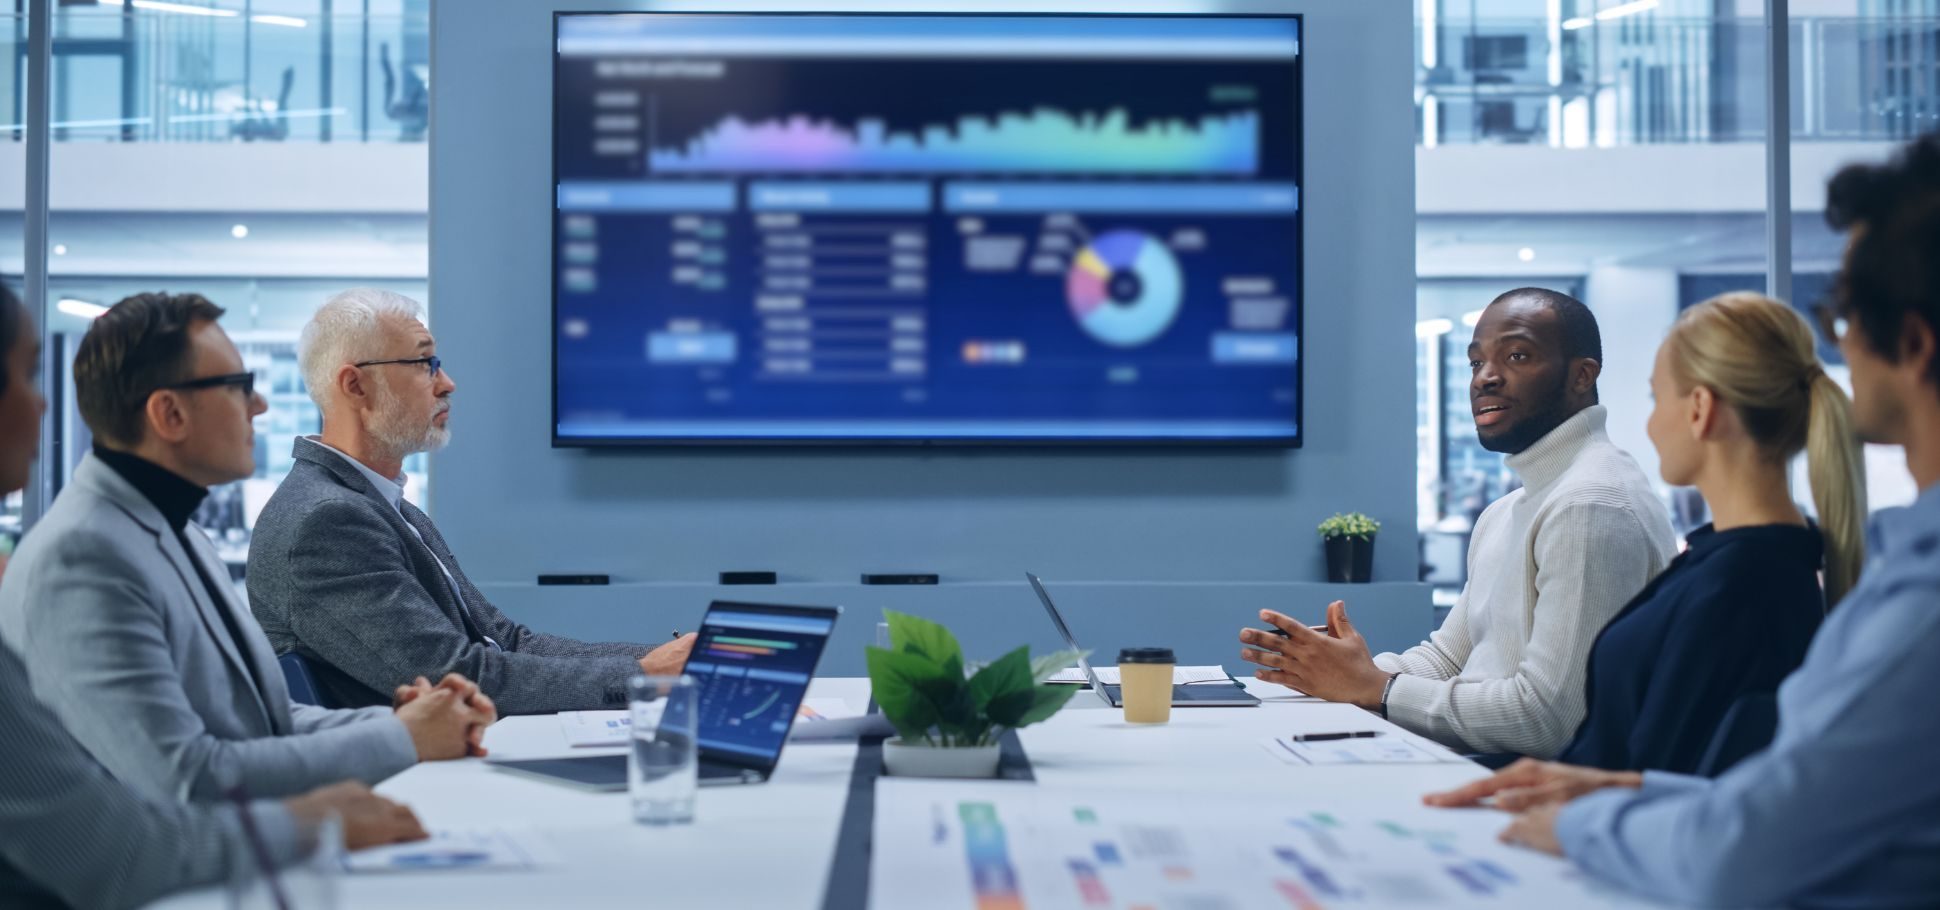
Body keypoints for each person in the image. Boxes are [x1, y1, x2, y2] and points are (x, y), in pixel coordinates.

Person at [1425, 134, 1940, 908]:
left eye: (1842, 313)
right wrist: (1629, 789)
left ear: (1909, 343)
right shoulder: (1881, 572)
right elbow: (1762, 792)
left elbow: (1753, 844)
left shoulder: (1904, 603)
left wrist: (1593, 814)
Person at [0, 284, 427, 910]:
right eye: (235, 385)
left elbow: (258, 716)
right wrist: (398, 744)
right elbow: (182, 784)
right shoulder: (83, 555)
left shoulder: (177, 530)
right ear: (170, 415)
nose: (257, 404)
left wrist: (399, 722)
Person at [1239, 288, 1677, 758]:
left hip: (1535, 799)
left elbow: (1549, 721)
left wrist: (1377, 689)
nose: (1485, 378)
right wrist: (1335, 672)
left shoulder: (1590, 505)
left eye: (1516, 355)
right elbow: (1448, 659)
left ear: (1581, 375)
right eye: (1475, 363)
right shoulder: (1508, 511)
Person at [248, 288, 694, 713]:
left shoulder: (385, 507)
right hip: (411, 780)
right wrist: (643, 675)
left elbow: (506, 641)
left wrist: (662, 658)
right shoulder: (326, 522)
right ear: (356, 386)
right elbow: (456, 678)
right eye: (425, 363)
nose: (447, 383)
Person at [1555, 291, 1863, 775]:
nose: (1651, 423)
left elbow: (1653, 781)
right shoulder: (1739, 566)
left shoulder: (1741, 586)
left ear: (1700, 408)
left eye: (1657, 398)